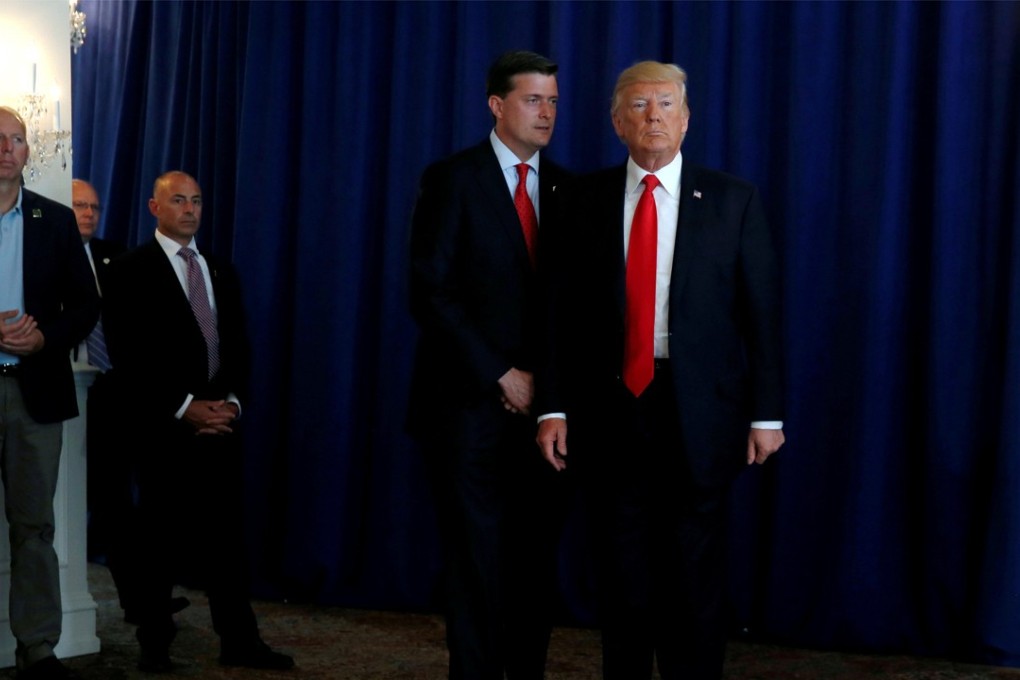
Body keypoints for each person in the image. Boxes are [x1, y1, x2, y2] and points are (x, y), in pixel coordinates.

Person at [536, 62, 786, 679]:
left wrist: (767, 412)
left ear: (687, 117)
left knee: (694, 577)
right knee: (621, 576)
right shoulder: (580, 200)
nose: (654, 116)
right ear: (617, 121)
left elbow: (763, 315)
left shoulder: (733, 199)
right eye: (640, 105)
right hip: (610, 408)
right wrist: (553, 405)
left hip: (701, 409)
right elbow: (554, 313)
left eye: (666, 104)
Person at [407, 50, 570, 679]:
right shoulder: (451, 178)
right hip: (467, 407)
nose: (547, 112)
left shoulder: (566, 187)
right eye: (534, 100)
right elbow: (429, 292)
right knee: (475, 566)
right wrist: (501, 374)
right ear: (497, 105)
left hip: (546, 416)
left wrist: (547, 390)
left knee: (535, 564)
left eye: (553, 101)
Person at [102, 171, 293, 673]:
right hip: (165, 425)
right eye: (179, 201)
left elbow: (238, 344)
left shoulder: (220, 269)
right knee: (159, 540)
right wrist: (185, 407)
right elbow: (129, 354)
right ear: (154, 207)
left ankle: (240, 641)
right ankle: (155, 643)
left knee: (228, 540)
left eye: (197, 201)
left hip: (221, 422)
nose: (190, 209)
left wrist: (230, 401)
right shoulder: (128, 270)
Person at [0, 106, 100, 680]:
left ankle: (37, 647)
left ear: (28, 153)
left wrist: (44, 338)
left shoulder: (57, 220)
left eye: (17, 140)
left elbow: (86, 305)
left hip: (36, 392)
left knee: (34, 527)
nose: (7, 149)